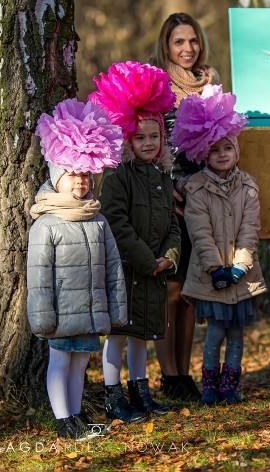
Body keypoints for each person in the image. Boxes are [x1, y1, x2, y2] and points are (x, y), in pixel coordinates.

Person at [27, 99, 127, 440]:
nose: (80, 181)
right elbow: (38, 278)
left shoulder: (97, 219)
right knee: (59, 361)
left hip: (90, 311)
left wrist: (116, 309)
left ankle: (76, 416)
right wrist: (42, 316)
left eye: (85, 174)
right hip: (59, 314)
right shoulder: (47, 224)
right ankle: (62, 421)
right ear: (57, 177)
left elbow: (113, 267)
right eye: (72, 174)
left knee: (81, 363)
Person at [91, 60, 181, 421]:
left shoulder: (163, 177)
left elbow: (173, 226)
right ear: (129, 138)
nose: (148, 143)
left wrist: (169, 257)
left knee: (143, 334)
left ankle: (141, 393)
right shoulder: (118, 177)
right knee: (119, 334)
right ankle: (114, 399)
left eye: (154, 137)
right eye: (141, 137)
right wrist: (147, 260)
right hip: (126, 271)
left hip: (154, 272)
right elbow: (117, 223)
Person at [171, 85, 267, 405]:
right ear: (204, 154)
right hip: (210, 275)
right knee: (214, 333)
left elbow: (249, 229)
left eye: (228, 148)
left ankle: (231, 384)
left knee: (237, 333)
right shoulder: (197, 188)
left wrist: (240, 264)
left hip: (242, 273)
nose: (222, 154)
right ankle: (210, 384)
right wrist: (216, 267)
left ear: (236, 151)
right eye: (215, 150)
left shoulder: (248, 186)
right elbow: (200, 232)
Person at [151, 12, 222, 401]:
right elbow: (146, 144)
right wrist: (168, 189)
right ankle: (168, 373)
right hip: (169, 200)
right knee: (170, 290)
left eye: (193, 41)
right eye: (179, 42)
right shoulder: (157, 87)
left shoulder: (212, 84)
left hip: (204, 199)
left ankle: (184, 373)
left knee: (192, 293)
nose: (188, 49)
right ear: (167, 45)